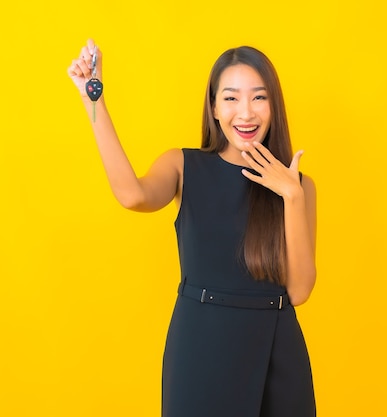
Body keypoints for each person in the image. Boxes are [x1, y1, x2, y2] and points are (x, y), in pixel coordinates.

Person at [67, 39, 317, 417]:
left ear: (273, 106)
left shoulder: (298, 186)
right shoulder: (183, 166)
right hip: (201, 348)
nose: (245, 113)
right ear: (214, 108)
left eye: (258, 98)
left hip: (276, 354)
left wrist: (292, 197)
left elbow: (299, 291)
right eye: (231, 98)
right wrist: (94, 102)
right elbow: (133, 195)